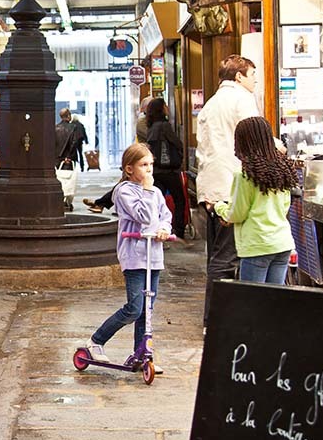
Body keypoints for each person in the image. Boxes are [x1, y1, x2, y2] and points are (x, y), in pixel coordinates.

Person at [81, 142, 172, 367]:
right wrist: (148, 191)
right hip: (134, 256)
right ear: (129, 169)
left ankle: (142, 353)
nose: (149, 170)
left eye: (151, 164)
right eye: (143, 165)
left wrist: (164, 229)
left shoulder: (156, 192)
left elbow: (164, 216)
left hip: (154, 256)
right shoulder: (123, 191)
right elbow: (143, 215)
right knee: (134, 308)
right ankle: (96, 341)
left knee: (147, 311)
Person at [195, 55, 259, 326]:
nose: (255, 80)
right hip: (230, 188)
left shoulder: (210, 104)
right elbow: (256, 137)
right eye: (253, 75)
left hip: (211, 186)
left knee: (217, 255)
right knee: (226, 258)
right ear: (239, 77)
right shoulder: (242, 99)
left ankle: (216, 319)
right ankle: (216, 322)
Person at [214, 117, 298, 285]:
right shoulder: (282, 169)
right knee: (272, 301)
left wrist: (218, 207)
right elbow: (285, 206)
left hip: (257, 245)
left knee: (252, 302)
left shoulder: (245, 174)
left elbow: (237, 214)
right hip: (282, 244)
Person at [145, 98, 186, 238]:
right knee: (179, 200)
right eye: (165, 105)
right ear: (161, 109)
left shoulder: (151, 126)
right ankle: (178, 231)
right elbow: (176, 143)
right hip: (169, 170)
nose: (168, 107)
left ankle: (155, 228)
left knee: (157, 201)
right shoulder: (164, 125)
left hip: (156, 170)